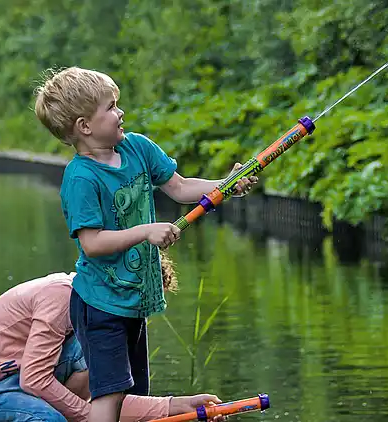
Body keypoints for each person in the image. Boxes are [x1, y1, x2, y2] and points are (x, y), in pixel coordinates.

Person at [33, 66, 259, 422]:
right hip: (100, 304)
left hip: (132, 301)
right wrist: (145, 231)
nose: (120, 112)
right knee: (109, 398)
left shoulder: (137, 148)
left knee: (136, 396)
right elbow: (92, 244)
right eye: (110, 107)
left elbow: (181, 187)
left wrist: (225, 183)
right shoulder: (81, 178)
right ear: (84, 126)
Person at [0, 270, 227, 422]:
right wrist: (87, 416)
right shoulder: (60, 299)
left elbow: (102, 405)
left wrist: (177, 405)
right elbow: (35, 380)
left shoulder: (96, 319)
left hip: (27, 386)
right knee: (49, 420)